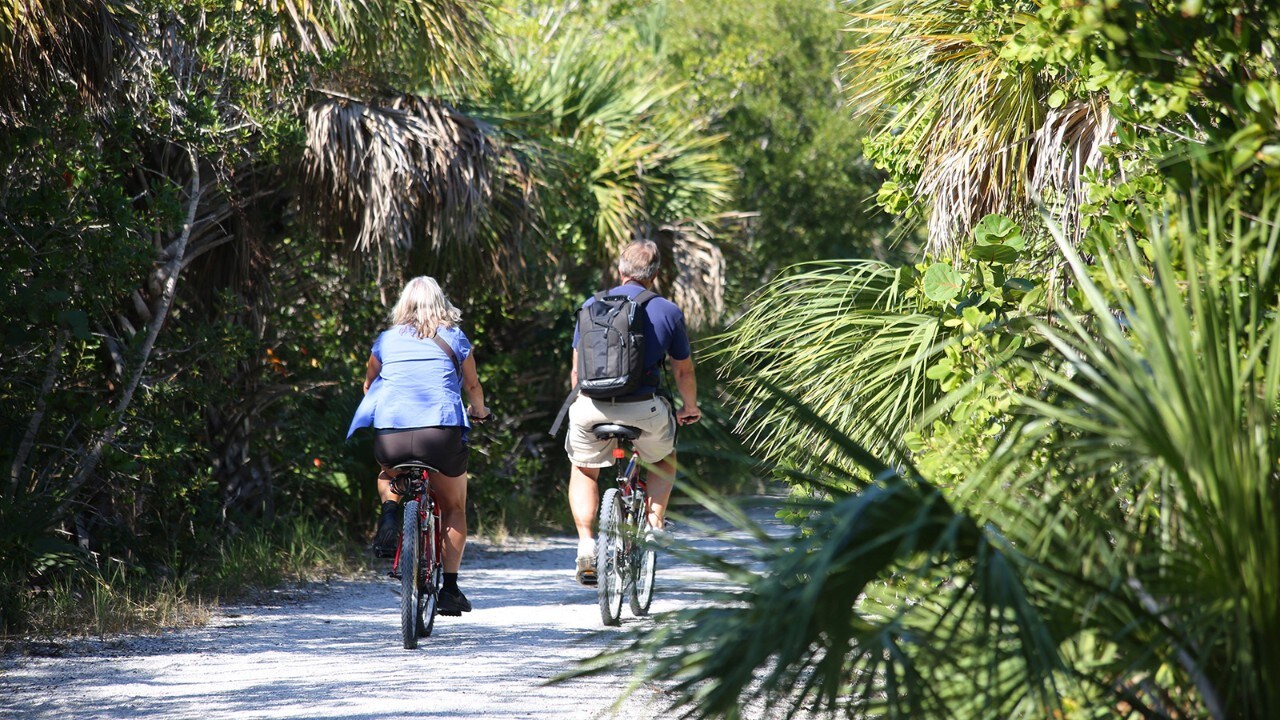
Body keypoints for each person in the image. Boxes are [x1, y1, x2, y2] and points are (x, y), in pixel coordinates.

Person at [347, 276, 490, 615]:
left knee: (387, 475)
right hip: (440, 434)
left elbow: (369, 386)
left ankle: (390, 516)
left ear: (403, 305)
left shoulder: (385, 340)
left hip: (392, 435)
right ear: (441, 304)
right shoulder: (455, 337)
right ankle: (450, 589)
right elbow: (472, 386)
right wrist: (480, 413)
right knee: (454, 506)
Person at [564, 240, 701, 586]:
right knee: (665, 456)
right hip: (645, 408)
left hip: (590, 407)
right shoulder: (667, 311)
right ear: (654, 276)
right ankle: (654, 527)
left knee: (584, 468)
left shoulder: (591, 305)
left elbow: (577, 374)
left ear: (620, 271)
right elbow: (683, 372)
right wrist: (690, 407)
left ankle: (585, 545)